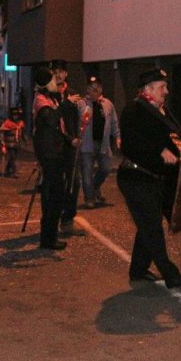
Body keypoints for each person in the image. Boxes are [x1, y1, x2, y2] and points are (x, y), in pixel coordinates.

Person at [117, 68, 181, 289]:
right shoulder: (133, 110)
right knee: (152, 227)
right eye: (162, 87)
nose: (166, 91)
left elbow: (173, 135)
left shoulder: (160, 110)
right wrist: (158, 150)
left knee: (148, 225)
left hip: (153, 177)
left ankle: (138, 271)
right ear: (148, 89)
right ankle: (170, 274)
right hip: (135, 177)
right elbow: (130, 144)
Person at [32, 67, 76, 250]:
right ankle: (48, 239)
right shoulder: (41, 100)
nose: (55, 81)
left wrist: (69, 139)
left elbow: (58, 126)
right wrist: (66, 104)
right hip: (49, 153)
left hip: (55, 151)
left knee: (56, 195)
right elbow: (51, 120)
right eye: (52, 79)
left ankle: (49, 237)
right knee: (54, 196)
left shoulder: (50, 98)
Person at [49, 59, 85, 236]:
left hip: (71, 146)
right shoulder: (48, 94)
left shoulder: (73, 94)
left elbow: (79, 118)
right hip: (55, 145)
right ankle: (51, 221)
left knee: (74, 183)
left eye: (61, 71)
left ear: (66, 74)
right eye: (55, 71)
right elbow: (51, 121)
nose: (58, 75)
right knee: (55, 184)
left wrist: (79, 134)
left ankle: (67, 219)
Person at [78, 76, 121, 209]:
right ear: (87, 89)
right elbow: (75, 121)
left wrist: (118, 137)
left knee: (106, 168)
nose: (95, 89)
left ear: (101, 89)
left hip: (103, 144)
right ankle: (89, 198)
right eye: (91, 87)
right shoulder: (81, 104)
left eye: (97, 86)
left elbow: (114, 122)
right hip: (87, 144)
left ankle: (95, 187)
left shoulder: (107, 104)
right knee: (87, 173)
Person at [0, 107, 26, 177]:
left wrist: (25, 140)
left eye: (16, 115)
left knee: (13, 157)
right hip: (9, 143)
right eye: (14, 115)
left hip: (16, 143)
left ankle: (7, 169)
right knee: (12, 156)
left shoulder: (20, 123)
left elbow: (22, 133)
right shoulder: (7, 123)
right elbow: (2, 132)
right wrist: (2, 142)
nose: (15, 116)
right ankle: (14, 172)